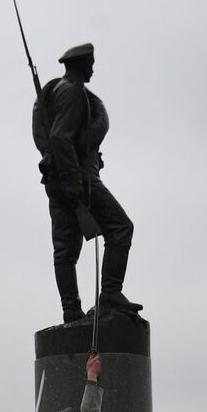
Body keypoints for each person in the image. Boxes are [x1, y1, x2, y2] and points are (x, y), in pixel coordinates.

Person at [32, 43, 139, 322]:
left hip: (62, 180)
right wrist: (73, 182)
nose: (93, 69)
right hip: (77, 180)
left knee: (66, 250)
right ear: (81, 65)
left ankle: (71, 310)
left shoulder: (61, 92)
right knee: (120, 227)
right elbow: (59, 137)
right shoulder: (72, 91)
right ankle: (110, 293)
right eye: (90, 64)